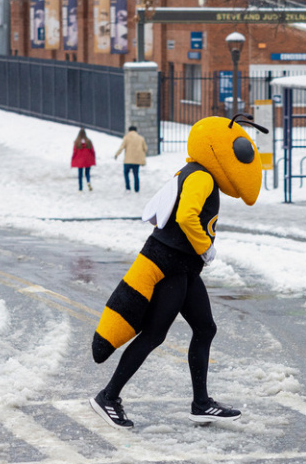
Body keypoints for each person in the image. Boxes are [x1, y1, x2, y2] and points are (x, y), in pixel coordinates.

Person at [90, 114, 268, 429]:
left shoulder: (194, 172)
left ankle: (201, 404)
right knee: (155, 334)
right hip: (173, 266)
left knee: (205, 329)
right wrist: (205, 247)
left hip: (183, 268)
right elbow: (187, 217)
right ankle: (108, 396)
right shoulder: (202, 177)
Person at [114, 126, 147, 192]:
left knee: (126, 173)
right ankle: (136, 189)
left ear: (129, 131)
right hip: (137, 160)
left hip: (127, 160)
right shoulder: (141, 138)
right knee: (136, 174)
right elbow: (145, 149)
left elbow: (122, 147)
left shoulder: (126, 138)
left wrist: (117, 154)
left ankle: (128, 187)